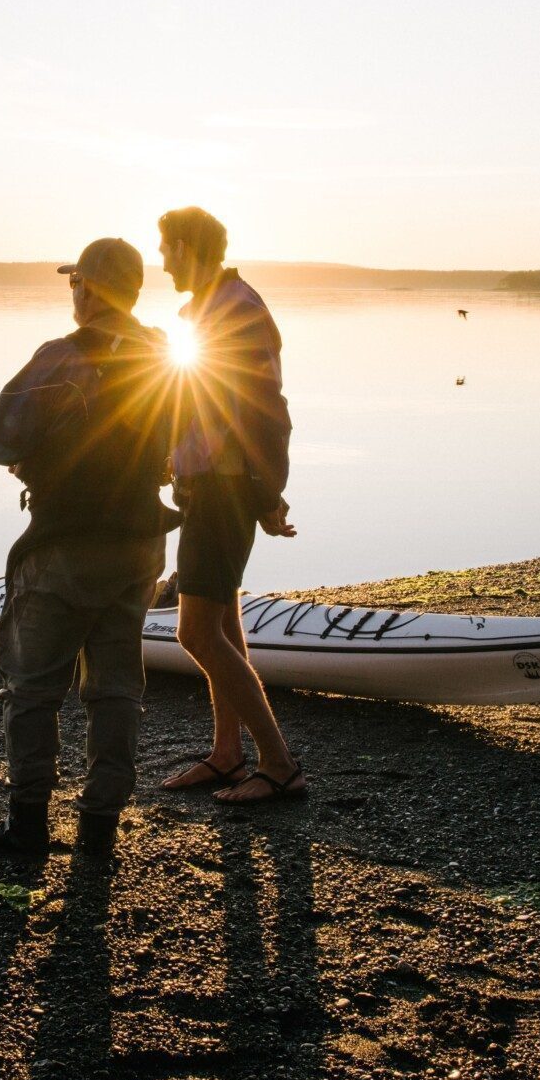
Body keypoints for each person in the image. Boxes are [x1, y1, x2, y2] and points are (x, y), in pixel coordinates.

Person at [0, 238, 180, 860]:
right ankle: (99, 828)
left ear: (89, 288)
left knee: (33, 689)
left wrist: (42, 455)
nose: (73, 293)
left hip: (64, 543)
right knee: (116, 689)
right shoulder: (166, 356)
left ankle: (28, 825)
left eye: (75, 283)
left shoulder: (62, 357)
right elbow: (180, 444)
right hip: (141, 545)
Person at [154, 206, 306, 804]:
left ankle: (279, 763)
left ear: (188, 246)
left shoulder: (235, 310)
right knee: (222, 627)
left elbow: (265, 409)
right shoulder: (210, 309)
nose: (162, 261)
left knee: (195, 633)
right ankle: (227, 753)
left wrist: (266, 493)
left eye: (166, 248)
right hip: (209, 486)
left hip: (226, 486)